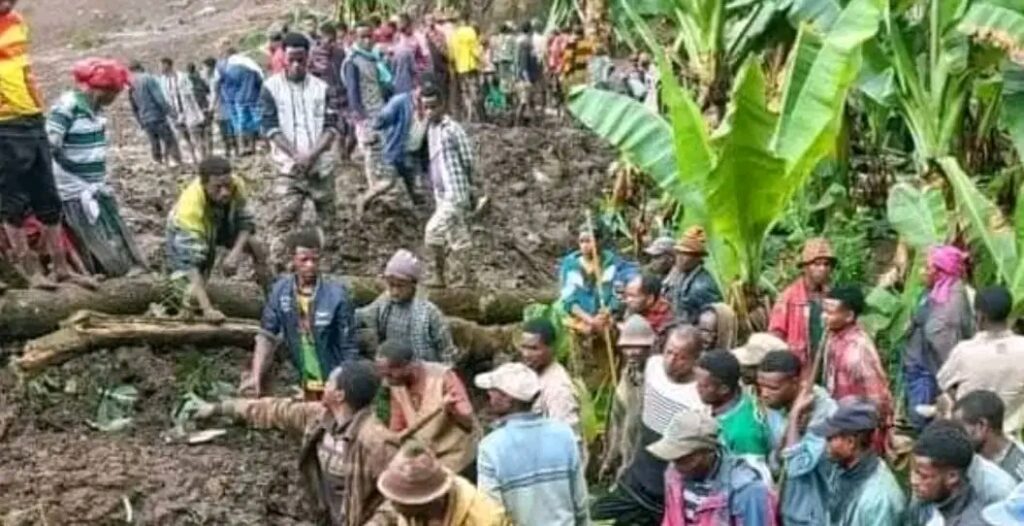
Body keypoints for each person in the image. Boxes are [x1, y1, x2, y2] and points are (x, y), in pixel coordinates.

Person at [192, 361, 395, 526]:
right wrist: (218, 408)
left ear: (339, 395)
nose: (325, 384)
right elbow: (274, 410)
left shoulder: (376, 441)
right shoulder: (318, 417)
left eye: (330, 382)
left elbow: (401, 497)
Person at [0, 1, 95, 291]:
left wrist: (36, 105)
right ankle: (31, 272)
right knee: (13, 202)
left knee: (48, 197)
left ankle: (62, 268)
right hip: (4, 123)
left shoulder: (16, 22)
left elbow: (23, 70)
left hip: (31, 116)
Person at [591, 325, 706, 525]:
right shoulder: (653, 366)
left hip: (666, 487)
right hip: (636, 476)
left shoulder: (699, 395)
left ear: (695, 359)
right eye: (669, 352)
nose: (671, 361)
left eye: (681, 357)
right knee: (596, 514)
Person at [46, 58, 147, 278]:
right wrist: (74, 170)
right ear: (102, 90)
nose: (115, 98)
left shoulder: (97, 111)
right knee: (84, 230)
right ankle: (99, 271)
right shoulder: (67, 107)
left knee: (107, 224)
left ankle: (122, 267)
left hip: (94, 181)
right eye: (115, 93)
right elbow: (51, 145)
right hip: (73, 185)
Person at [241, 229, 359, 400]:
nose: (310, 265)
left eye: (315, 259)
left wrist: (343, 385)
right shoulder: (281, 291)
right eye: (304, 260)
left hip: (333, 382)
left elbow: (349, 348)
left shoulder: (337, 295)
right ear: (293, 260)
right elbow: (266, 334)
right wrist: (255, 375)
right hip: (302, 380)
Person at [260, 33, 341, 268]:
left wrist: (312, 154)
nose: (296, 65)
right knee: (284, 218)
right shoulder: (271, 88)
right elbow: (270, 127)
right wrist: (296, 155)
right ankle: (278, 267)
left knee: (328, 220)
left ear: (308, 59)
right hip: (288, 167)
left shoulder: (322, 88)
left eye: (301, 60)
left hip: (320, 166)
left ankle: (330, 267)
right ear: (283, 57)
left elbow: (331, 127)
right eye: (292, 59)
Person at [473, 363, 588, 525]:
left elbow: (491, 515)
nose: (489, 394)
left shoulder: (491, 447)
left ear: (508, 399)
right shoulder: (563, 434)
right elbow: (580, 502)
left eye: (494, 390)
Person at [164, 156, 270, 321]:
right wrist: (208, 310)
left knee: (257, 246)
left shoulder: (237, 185)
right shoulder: (189, 209)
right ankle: (195, 306)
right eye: (218, 188)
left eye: (227, 186)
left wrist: (234, 254)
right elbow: (191, 265)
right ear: (204, 185)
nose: (225, 192)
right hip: (191, 233)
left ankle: (271, 300)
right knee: (190, 291)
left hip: (220, 221)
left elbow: (246, 223)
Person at [649, 409, 776, 526]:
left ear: (708, 452)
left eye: (685, 457)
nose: (677, 465)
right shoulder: (674, 472)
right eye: (674, 457)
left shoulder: (747, 490)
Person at [375, 340, 480, 475]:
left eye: (390, 374)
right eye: (383, 374)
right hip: (427, 457)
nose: (386, 379)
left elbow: (468, 421)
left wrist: (453, 410)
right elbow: (397, 427)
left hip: (456, 457)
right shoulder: (395, 384)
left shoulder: (444, 377)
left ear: (409, 366)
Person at [757, 350, 837, 526]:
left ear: (795, 382)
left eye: (773, 388)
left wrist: (793, 418)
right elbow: (775, 464)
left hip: (815, 515)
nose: (764, 393)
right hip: (787, 509)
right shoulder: (774, 406)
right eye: (761, 386)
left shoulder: (824, 412)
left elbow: (797, 466)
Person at [904, 245, 974, 431]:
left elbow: (942, 342)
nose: (921, 272)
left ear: (940, 272)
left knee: (923, 422)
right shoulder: (938, 290)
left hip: (928, 372)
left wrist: (948, 385)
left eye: (927, 268)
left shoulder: (947, 306)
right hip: (920, 364)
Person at [938, 286, 1024, 435]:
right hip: (1008, 433)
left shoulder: (965, 351)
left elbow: (943, 383)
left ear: (980, 317)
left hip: (969, 433)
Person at [822, 285, 892, 454]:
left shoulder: (856, 350)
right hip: (843, 418)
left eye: (831, 312)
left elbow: (876, 395)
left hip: (859, 426)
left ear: (849, 316)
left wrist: (877, 429)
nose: (824, 316)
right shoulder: (834, 336)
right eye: (825, 310)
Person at [422, 84, 479, 287]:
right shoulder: (430, 130)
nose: (429, 111)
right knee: (457, 236)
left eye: (433, 106)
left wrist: (474, 189)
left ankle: (439, 277)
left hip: (455, 192)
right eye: (426, 107)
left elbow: (469, 159)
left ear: (443, 104)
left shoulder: (452, 129)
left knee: (433, 231)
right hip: (441, 193)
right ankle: (468, 279)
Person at [815, 400, 905, 525]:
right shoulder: (842, 469)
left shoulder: (880, 499)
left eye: (830, 438)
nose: (826, 444)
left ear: (850, 442)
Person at [358, 249, 457, 363]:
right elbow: (364, 316)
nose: (395, 291)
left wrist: (443, 375)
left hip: (423, 370)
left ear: (413, 284)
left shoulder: (429, 312)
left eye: (400, 286)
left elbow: (447, 352)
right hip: (393, 368)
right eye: (391, 285)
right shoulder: (384, 302)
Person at [375, 444, 512, 526]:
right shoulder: (413, 513)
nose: (391, 503)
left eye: (397, 500)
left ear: (422, 501)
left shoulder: (485, 519)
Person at [600, 315, 657, 483]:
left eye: (638, 347)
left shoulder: (656, 378)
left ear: (649, 348)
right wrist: (610, 457)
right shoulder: (628, 376)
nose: (632, 352)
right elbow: (617, 421)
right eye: (627, 347)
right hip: (628, 456)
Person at [356, 81, 427, 216]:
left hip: (413, 153)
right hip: (396, 149)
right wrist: (372, 133)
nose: (422, 97)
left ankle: (420, 217)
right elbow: (382, 119)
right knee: (387, 182)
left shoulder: (428, 106)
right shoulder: (400, 102)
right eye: (421, 92)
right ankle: (363, 200)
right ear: (416, 88)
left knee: (416, 187)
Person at [694, 350, 773, 467]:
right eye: (697, 382)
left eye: (703, 386)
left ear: (723, 389)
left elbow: (754, 479)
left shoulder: (743, 434)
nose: (697, 388)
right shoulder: (726, 400)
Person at [906, 420, 991, 525]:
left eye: (923, 476)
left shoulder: (971, 521)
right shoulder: (930, 498)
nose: (913, 481)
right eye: (913, 471)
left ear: (952, 477)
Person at [343, 23, 391, 204]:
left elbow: (383, 86)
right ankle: (375, 190)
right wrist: (362, 123)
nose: (367, 40)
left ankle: (383, 189)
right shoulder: (352, 62)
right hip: (367, 117)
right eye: (363, 37)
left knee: (382, 154)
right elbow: (353, 96)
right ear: (355, 38)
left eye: (370, 36)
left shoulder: (374, 59)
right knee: (372, 154)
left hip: (379, 112)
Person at [769, 237, 835, 367]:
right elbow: (775, 336)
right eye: (816, 264)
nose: (822, 268)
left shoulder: (831, 296)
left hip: (826, 364)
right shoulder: (789, 298)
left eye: (826, 264)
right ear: (805, 267)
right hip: (799, 367)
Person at [518, 318, 581, 437]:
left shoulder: (558, 388)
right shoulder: (530, 374)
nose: (526, 354)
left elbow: (566, 439)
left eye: (534, 348)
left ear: (551, 348)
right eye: (524, 347)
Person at [953, 390, 1024, 482]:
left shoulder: (1016, 475)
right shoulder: (969, 460)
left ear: (981, 426)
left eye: (960, 428)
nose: (955, 435)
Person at [128, 61, 183, 166]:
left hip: (145, 119)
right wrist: (171, 112)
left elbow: (133, 106)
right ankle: (177, 162)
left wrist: (140, 121)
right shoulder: (148, 78)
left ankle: (158, 163)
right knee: (170, 140)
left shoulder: (131, 83)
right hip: (157, 116)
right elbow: (159, 98)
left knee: (154, 142)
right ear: (141, 67)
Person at [664, 226, 721, 323]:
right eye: (678, 253)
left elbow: (713, 319)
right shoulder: (680, 274)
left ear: (697, 258)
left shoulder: (702, 287)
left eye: (686, 254)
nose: (680, 258)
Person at [158, 57, 206, 164]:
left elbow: (190, 94)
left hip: (187, 110)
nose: (160, 68)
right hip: (174, 112)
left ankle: (202, 157)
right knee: (184, 136)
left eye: (162, 65)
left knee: (195, 134)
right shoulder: (163, 80)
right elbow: (165, 97)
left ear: (168, 65)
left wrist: (197, 111)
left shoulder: (182, 77)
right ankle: (193, 158)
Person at [220, 47, 264, 156]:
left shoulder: (230, 69)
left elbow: (229, 88)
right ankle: (261, 146)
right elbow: (260, 81)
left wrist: (231, 100)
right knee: (258, 123)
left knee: (241, 124)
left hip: (239, 100)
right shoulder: (251, 66)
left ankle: (243, 148)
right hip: (254, 98)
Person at [512, 21, 541, 126]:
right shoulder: (525, 44)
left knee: (529, 102)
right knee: (524, 102)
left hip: (526, 76)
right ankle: (518, 124)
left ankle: (532, 123)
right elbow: (523, 63)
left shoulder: (523, 42)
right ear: (530, 30)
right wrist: (526, 78)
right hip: (525, 78)